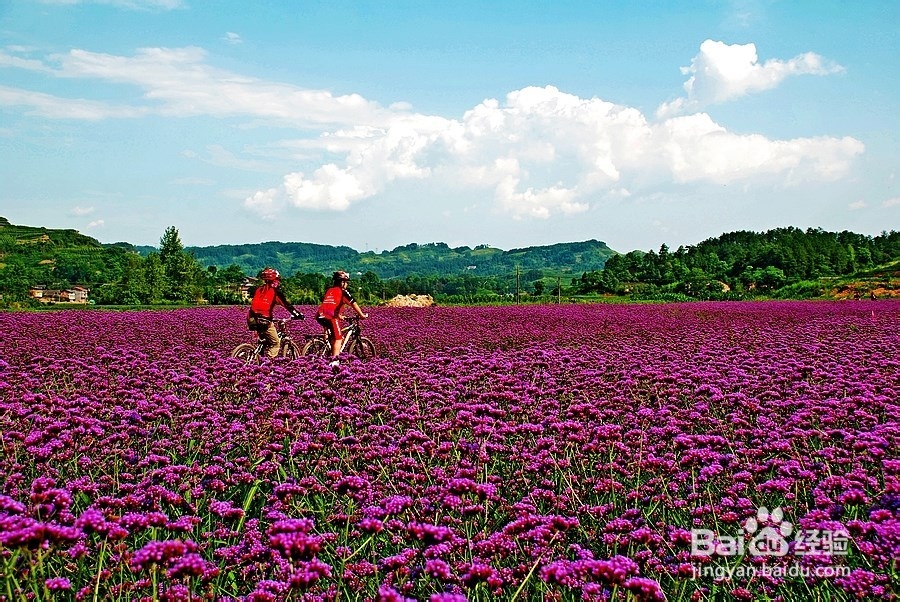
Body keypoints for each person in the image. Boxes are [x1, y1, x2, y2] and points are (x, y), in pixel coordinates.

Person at [247, 268, 304, 357]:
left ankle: (259, 359)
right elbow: (287, 305)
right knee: (275, 343)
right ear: (275, 280)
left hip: (251, 319)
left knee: (264, 341)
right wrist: (298, 314)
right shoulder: (275, 292)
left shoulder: (258, 290)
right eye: (278, 280)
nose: (279, 282)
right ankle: (267, 365)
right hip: (264, 320)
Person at [316, 270, 368, 365]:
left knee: (334, 336)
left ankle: (330, 350)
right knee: (338, 338)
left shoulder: (329, 290)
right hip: (331, 317)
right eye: (346, 282)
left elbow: (330, 305)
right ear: (342, 282)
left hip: (320, 315)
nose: (346, 284)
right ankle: (335, 362)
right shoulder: (343, 292)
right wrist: (362, 315)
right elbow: (354, 304)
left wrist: (339, 315)